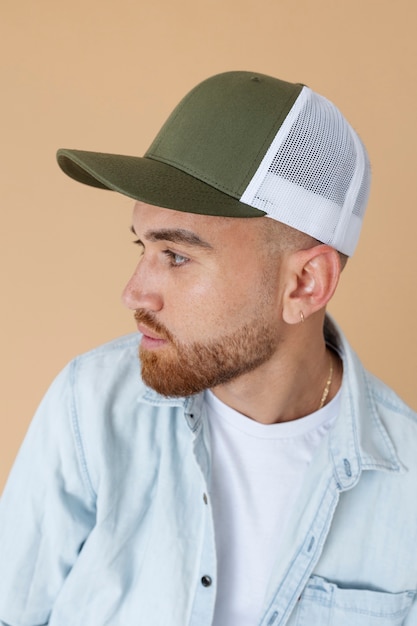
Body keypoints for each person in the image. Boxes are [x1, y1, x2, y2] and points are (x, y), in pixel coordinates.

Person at [0, 71, 416, 626]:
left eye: (176, 256)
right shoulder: (90, 406)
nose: (133, 292)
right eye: (142, 245)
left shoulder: (406, 485)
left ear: (304, 285)